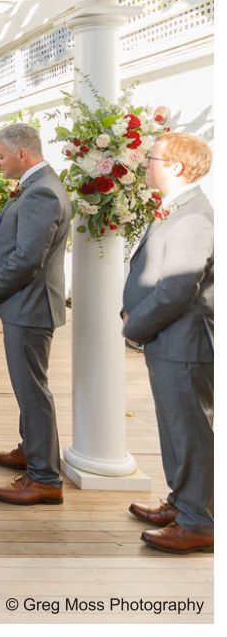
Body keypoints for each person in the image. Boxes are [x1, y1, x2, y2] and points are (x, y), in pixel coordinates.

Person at [122, 132, 213, 554]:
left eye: (152, 158)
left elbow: (177, 290)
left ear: (176, 166)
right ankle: (181, 503)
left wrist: (134, 325)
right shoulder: (179, 208)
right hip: (169, 341)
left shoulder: (194, 216)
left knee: (189, 432)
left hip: (184, 345)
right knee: (174, 429)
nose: (146, 164)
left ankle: (199, 522)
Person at [0, 123, 70, 506]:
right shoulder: (40, 185)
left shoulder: (43, 194)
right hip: (27, 303)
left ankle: (45, 478)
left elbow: (26, 259)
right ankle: (29, 451)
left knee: (32, 391)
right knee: (27, 386)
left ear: (22, 154)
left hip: (30, 304)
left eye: (0, 156)